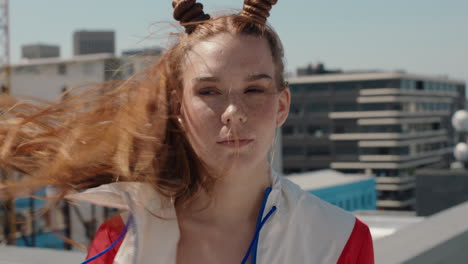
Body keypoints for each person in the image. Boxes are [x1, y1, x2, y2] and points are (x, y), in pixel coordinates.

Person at [0, 0, 374, 263]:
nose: (233, 112)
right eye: (209, 91)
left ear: (282, 105)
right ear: (178, 107)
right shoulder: (123, 242)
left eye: (255, 90)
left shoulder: (338, 239)